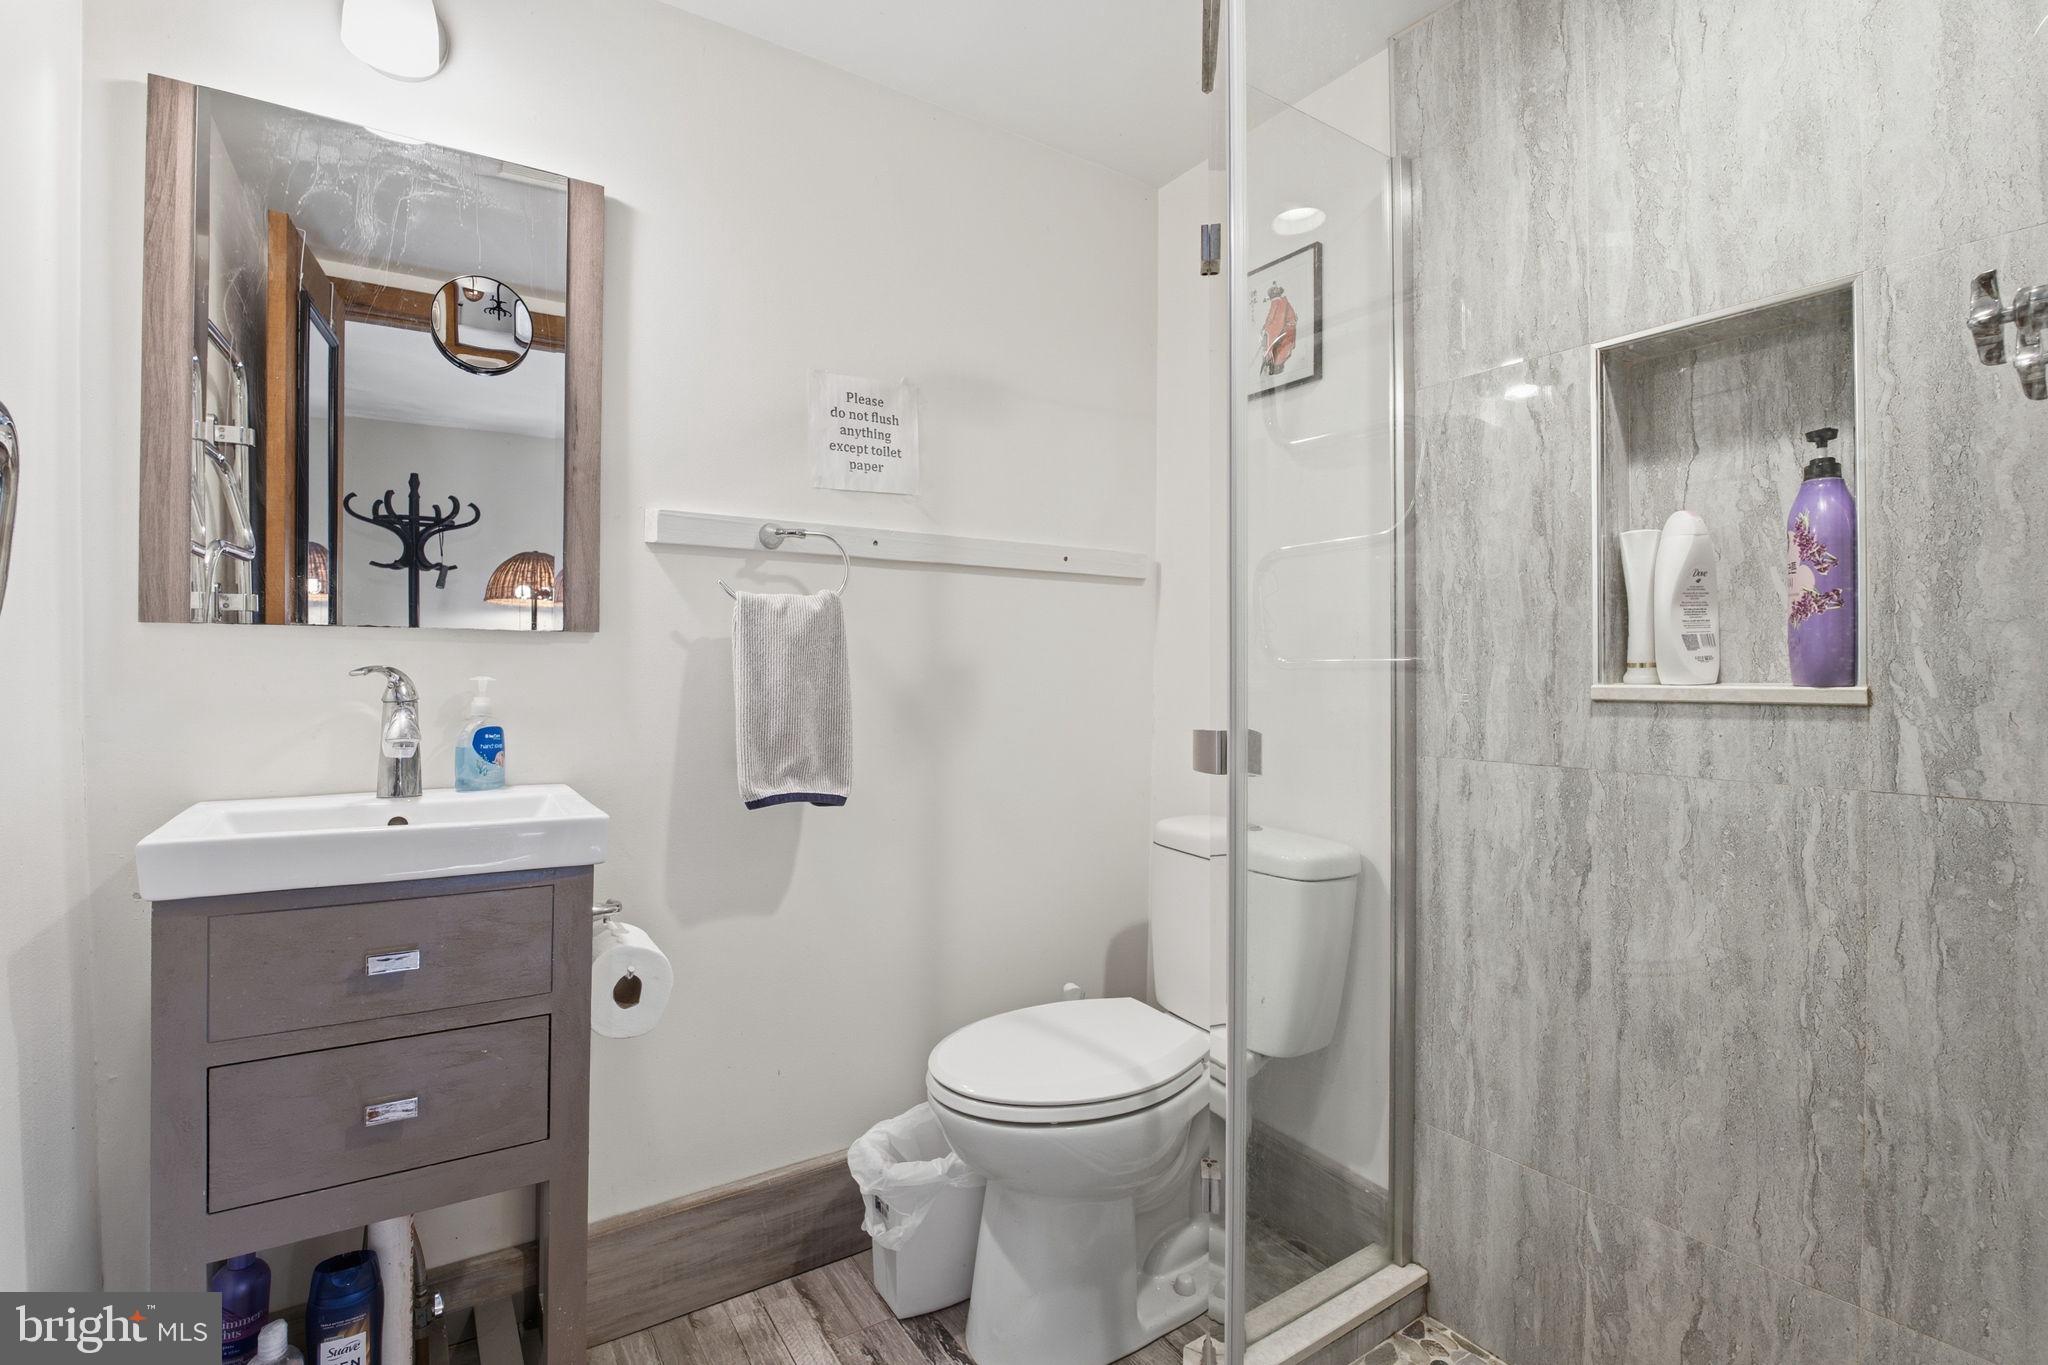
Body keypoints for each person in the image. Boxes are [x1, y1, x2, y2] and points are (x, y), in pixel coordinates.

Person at [1259, 282, 1298, 376]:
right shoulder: (1279, 302)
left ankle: (1275, 366)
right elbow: (1271, 317)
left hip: (1285, 331)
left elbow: (1277, 321)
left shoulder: (1278, 302)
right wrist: (1265, 327)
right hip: (1284, 330)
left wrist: (1267, 330)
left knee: (1280, 352)